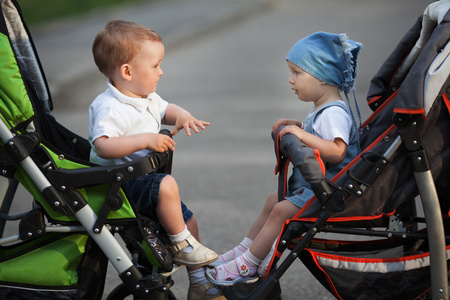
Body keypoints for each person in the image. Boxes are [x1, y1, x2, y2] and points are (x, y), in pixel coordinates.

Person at [206, 32, 362, 286]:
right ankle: (244, 249)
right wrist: (299, 125)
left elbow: (337, 151)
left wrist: (300, 134)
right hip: (315, 186)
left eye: (297, 73)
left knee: (280, 210)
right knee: (273, 200)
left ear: (322, 77)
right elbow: (318, 135)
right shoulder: (323, 108)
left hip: (329, 189)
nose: (291, 80)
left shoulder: (334, 112)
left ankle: (248, 264)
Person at [88, 20, 224, 300]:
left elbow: (166, 109)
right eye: (155, 65)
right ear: (127, 71)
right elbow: (103, 146)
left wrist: (182, 115)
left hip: (140, 180)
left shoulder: (145, 96)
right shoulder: (109, 106)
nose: (161, 72)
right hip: (118, 185)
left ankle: (198, 282)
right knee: (167, 185)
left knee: (190, 222)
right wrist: (145, 140)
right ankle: (182, 245)